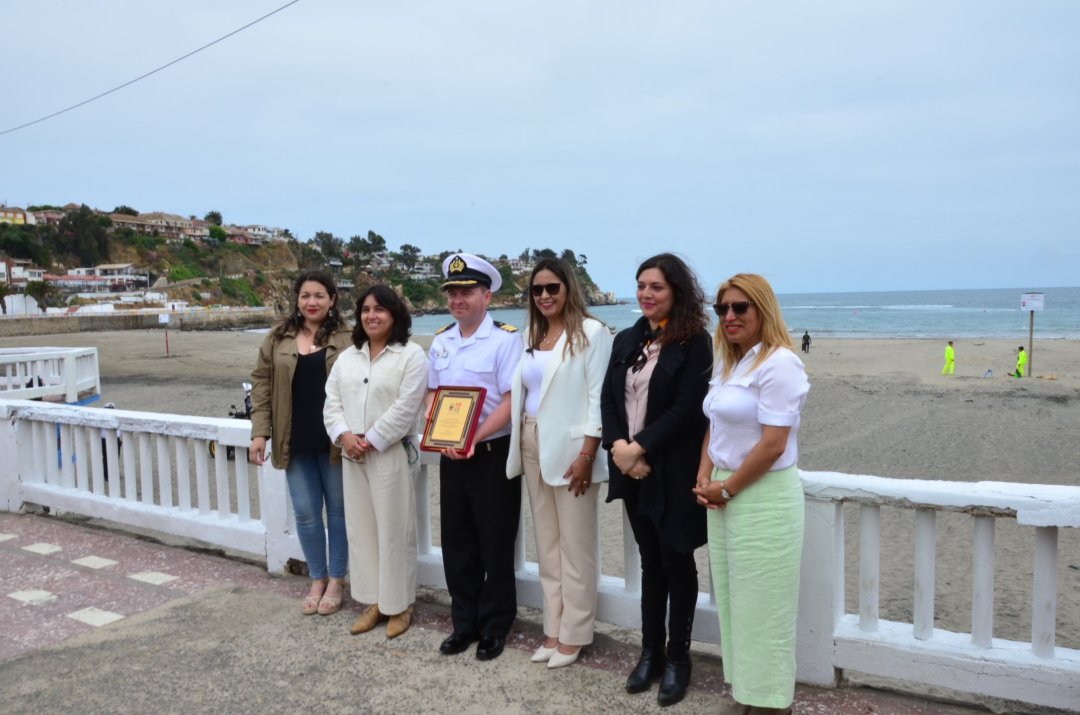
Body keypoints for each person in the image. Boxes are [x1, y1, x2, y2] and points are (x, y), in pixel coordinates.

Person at [692, 273, 810, 715]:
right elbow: (715, 424)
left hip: (763, 495)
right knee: (734, 600)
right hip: (725, 489)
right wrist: (705, 476)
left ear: (763, 309)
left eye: (740, 307)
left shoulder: (780, 364)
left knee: (765, 605)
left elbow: (774, 444)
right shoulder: (732, 363)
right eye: (722, 309)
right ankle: (746, 694)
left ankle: (772, 705)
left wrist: (727, 487)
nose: (729, 316)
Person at [601, 253, 712, 706]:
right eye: (641, 285)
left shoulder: (695, 341)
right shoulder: (628, 338)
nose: (646, 294)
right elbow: (609, 399)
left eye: (657, 287)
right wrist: (619, 449)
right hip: (632, 471)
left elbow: (687, 409)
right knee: (651, 563)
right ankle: (650, 653)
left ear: (676, 292)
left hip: (673, 470)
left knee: (677, 561)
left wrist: (639, 447)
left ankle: (679, 658)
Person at [506, 258, 613, 669]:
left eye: (553, 287)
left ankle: (575, 633)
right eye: (537, 289)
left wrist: (588, 454)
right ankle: (552, 628)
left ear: (568, 288)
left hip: (573, 451)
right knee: (547, 542)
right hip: (530, 440)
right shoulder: (531, 335)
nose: (545, 295)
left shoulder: (591, 333)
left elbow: (598, 397)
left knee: (576, 545)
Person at [428, 253, 524, 661]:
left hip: (490, 454)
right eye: (452, 292)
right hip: (452, 455)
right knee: (457, 541)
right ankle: (463, 623)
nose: (458, 299)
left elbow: (511, 400)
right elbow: (432, 393)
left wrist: (472, 436)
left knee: (495, 543)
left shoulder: (506, 339)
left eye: (467, 292)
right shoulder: (441, 341)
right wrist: (437, 431)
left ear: (487, 296)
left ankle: (495, 625)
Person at [323, 285, 428, 639]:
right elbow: (331, 403)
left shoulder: (411, 356)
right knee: (362, 530)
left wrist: (371, 439)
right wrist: (344, 436)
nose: (371, 315)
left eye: (380, 309)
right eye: (366, 309)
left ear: (394, 315)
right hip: (353, 454)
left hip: (390, 452)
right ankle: (373, 602)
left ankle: (400, 605)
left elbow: (407, 406)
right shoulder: (347, 358)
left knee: (395, 530)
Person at [249, 270, 352, 615]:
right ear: (297, 299)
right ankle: (317, 578)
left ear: (332, 299)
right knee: (306, 515)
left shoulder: (349, 337)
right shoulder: (278, 337)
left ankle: (336, 580)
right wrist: (259, 432)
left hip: (335, 439)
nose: (312, 302)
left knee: (338, 513)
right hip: (293, 438)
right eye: (305, 295)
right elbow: (261, 384)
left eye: (319, 295)